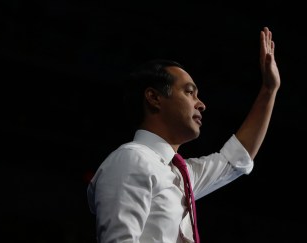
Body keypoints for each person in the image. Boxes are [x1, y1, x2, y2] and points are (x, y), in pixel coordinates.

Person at [87, 26, 280, 243]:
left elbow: (236, 160)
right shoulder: (131, 159)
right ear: (154, 97)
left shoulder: (181, 176)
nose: (201, 104)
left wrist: (269, 90)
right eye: (189, 92)